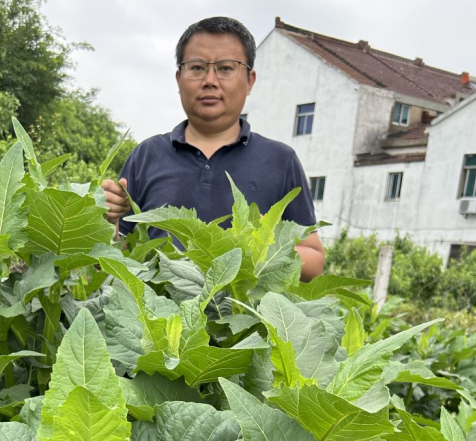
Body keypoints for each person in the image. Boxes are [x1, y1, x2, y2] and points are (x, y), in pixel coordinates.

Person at [102, 16, 325, 280]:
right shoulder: (146, 155)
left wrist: (267, 247)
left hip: (244, 317)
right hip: (154, 319)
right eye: (196, 67)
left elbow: (314, 259)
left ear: (250, 80)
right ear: (179, 78)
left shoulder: (280, 160)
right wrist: (104, 221)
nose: (210, 80)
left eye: (226, 68)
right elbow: (119, 255)